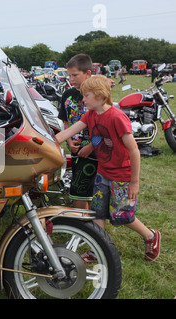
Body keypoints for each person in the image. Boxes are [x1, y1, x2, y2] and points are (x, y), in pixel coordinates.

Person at [56, 75, 161, 262]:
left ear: (100, 96)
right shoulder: (90, 115)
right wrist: (48, 142)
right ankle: (97, 249)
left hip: (122, 176)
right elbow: (72, 132)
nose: (82, 100)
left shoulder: (117, 117)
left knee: (123, 216)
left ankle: (151, 236)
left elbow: (134, 150)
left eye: (86, 95)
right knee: (98, 213)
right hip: (102, 173)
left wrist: (134, 182)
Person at [58, 54, 97, 210]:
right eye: (69, 75)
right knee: (82, 189)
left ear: (88, 73)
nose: (71, 79)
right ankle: (90, 224)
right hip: (75, 151)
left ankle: (85, 227)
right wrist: (68, 141)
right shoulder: (67, 95)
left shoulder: (97, 95)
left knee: (81, 190)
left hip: (94, 152)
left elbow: (103, 125)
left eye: (75, 75)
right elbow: (65, 120)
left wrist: (91, 147)